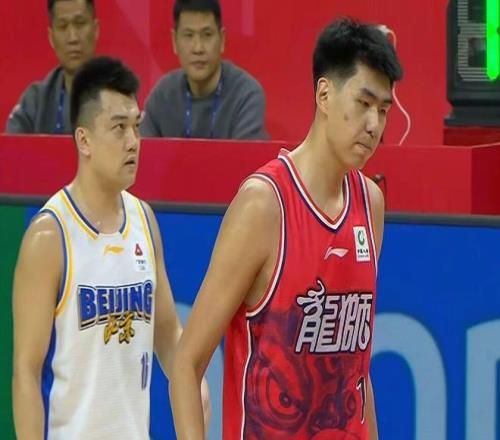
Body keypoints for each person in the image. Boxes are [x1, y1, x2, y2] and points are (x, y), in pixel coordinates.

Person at [170, 17, 403, 440]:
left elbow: (356, 371)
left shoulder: (371, 203)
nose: (374, 124)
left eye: (383, 110)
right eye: (364, 103)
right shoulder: (264, 204)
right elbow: (186, 363)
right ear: (324, 95)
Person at [12, 56, 209, 439]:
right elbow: (26, 373)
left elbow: (168, 335)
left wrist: (195, 383)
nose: (133, 141)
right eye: (119, 128)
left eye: (136, 126)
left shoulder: (144, 221)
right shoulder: (49, 237)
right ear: (84, 140)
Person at [140, 0, 268, 140]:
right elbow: (140, 149)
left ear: (222, 39)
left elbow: (247, 153)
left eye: (207, 35)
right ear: (174, 41)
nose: (198, 48)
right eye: (188, 35)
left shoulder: (245, 95)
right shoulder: (163, 95)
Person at [5, 0, 98, 134]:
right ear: (51, 37)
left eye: (80, 24)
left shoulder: (120, 94)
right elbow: (12, 145)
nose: (73, 38)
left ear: (95, 30)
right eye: (62, 26)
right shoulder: (35, 101)